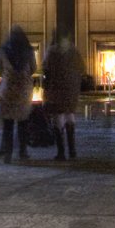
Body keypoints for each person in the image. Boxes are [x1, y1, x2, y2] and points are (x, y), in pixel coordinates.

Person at [0, 25, 38, 162]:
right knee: (23, 122)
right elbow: (33, 68)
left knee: (8, 123)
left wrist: (8, 76)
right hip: (23, 89)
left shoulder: (3, 50)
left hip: (8, 88)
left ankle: (7, 153)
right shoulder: (28, 51)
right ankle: (22, 151)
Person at [42, 31, 84, 160]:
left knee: (58, 118)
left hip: (56, 89)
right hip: (71, 90)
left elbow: (45, 68)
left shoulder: (51, 52)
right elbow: (82, 68)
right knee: (69, 116)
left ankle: (61, 152)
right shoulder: (74, 51)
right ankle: (72, 150)